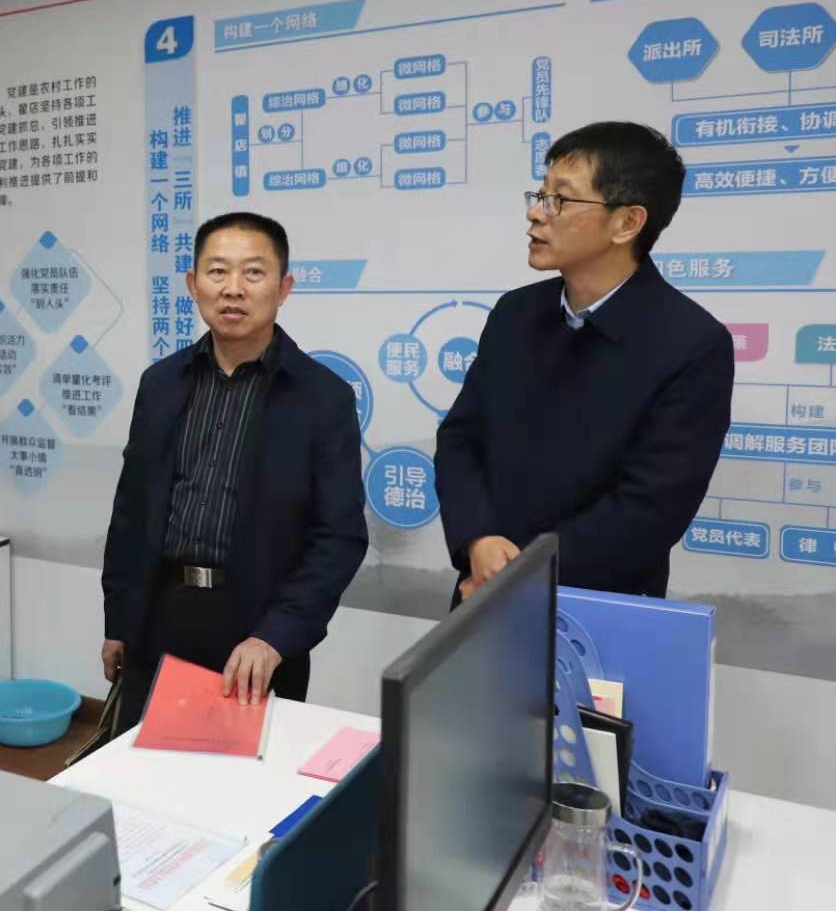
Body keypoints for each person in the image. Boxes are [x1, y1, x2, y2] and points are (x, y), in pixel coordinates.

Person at [435, 122, 734, 604]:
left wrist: (520, 573)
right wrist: (478, 539)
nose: (536, 212)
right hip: (482, 590)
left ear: (627, 223)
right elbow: (461, 439)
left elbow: (650, 509)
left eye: (560, 199)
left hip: (595, 608)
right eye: (540, 194)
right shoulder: (515, 313)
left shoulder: (692, 344)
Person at [101, 211, 369, 734]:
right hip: (159, 618)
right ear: (193, 284)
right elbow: (130, 512)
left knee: (244, 777)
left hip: (258, 631)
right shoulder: (160, 384)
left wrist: (275, 636)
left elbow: (338, 537)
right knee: (144, 768)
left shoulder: (323, 398)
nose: (233, 289)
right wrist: (120, 619)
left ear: (283, 287)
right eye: (218, 271)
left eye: (253, 273)